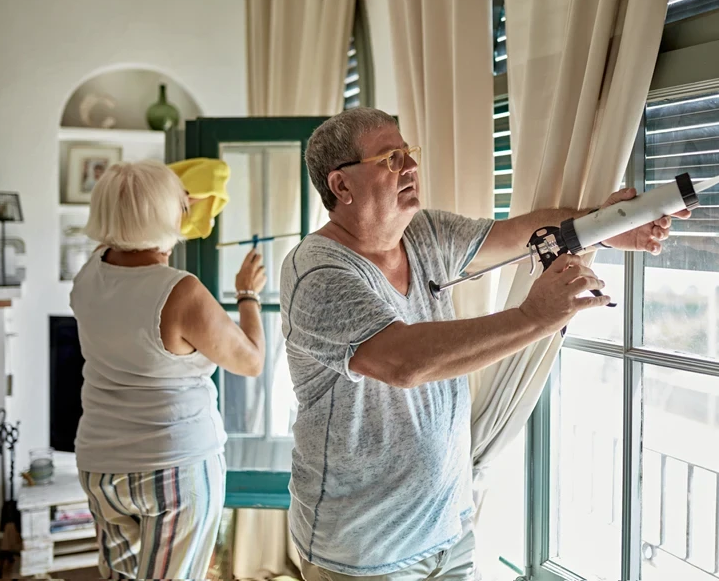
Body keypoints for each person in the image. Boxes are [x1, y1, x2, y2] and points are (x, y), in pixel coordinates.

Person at [281, 108, 686, 580]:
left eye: (408, 153)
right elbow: (402, 360)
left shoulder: (425, 232)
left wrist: (610, 226)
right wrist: (533, 317)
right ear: (341, 186)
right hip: (363, 551)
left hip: (448, 532)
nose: (410, 166)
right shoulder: (316, 271)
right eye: (390, 159)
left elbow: (520, 235)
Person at [70, 160, 267, 579]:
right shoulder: (181, 292)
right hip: (174, 464)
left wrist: (163, 203)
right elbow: (250, 360)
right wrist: (247, 294)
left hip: (100, 463)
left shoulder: (88, 274)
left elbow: (129, 220)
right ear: (172, 212)